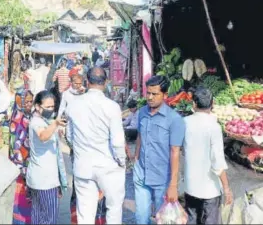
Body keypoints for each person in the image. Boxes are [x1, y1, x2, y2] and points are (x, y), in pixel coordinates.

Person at [66, 67, 126, 224]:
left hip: (83, 166)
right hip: (108, 167)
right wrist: (122, 161)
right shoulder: (112, 107)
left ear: (87, 81)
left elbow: (69, 137)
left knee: (85, 214)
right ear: (105, 83)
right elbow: (118, 141)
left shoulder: (73, 105)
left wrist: (80, 150)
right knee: (114, 209)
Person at [133, 75, 186, 224]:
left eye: (154, 94)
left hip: (162, 178)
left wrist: (173, 185)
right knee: (141, 218)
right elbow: (140, 136)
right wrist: (136, 159)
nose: (150, 97)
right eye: (148, 93)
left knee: (161, 218)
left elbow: (175, 152)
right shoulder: (142, 112)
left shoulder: (175, 120)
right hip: (141, 174)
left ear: (165, 95)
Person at [183, 86, 233, 224]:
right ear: (213, 104)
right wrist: (226, 188)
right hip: (209, 189)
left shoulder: (185, 122)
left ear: (193, 104)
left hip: (190, 185)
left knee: (192, 219)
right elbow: (217, 162)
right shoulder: (214, 127)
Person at [26, 90, 67, 224]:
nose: (50, 109)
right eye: (47, 107)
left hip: (42, 179)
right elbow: (43, 136)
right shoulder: (36, 122)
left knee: (38, 218)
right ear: (37, 106)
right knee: (49, 219)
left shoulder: (45, 120)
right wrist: (55, 124)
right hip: (44, 181)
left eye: (52, 106)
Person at [8, 89, 34, 224]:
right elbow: (15, 147)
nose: (29, 104)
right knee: (21, 199)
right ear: (19, 101)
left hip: (28, 163)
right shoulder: (18, 119)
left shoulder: (28, 116)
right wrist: (22, 168)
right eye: (26, 101)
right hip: (20, 167)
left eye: (31, 101)